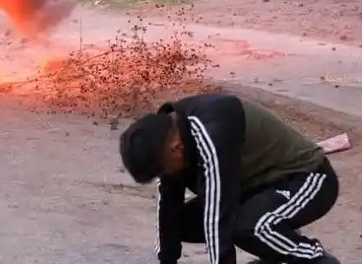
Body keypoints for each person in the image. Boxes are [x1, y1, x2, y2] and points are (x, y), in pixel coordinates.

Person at [120, 94, 341, 264]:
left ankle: (316, 259)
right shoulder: (168, 138)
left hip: (308, 179)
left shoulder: (211, 134)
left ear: (176, 148)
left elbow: (218, 215)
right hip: (255, 188)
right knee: (179, 224)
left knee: (251, 227)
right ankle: (273, 255)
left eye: (163, 171)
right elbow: (168, 208)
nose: (165, 176)